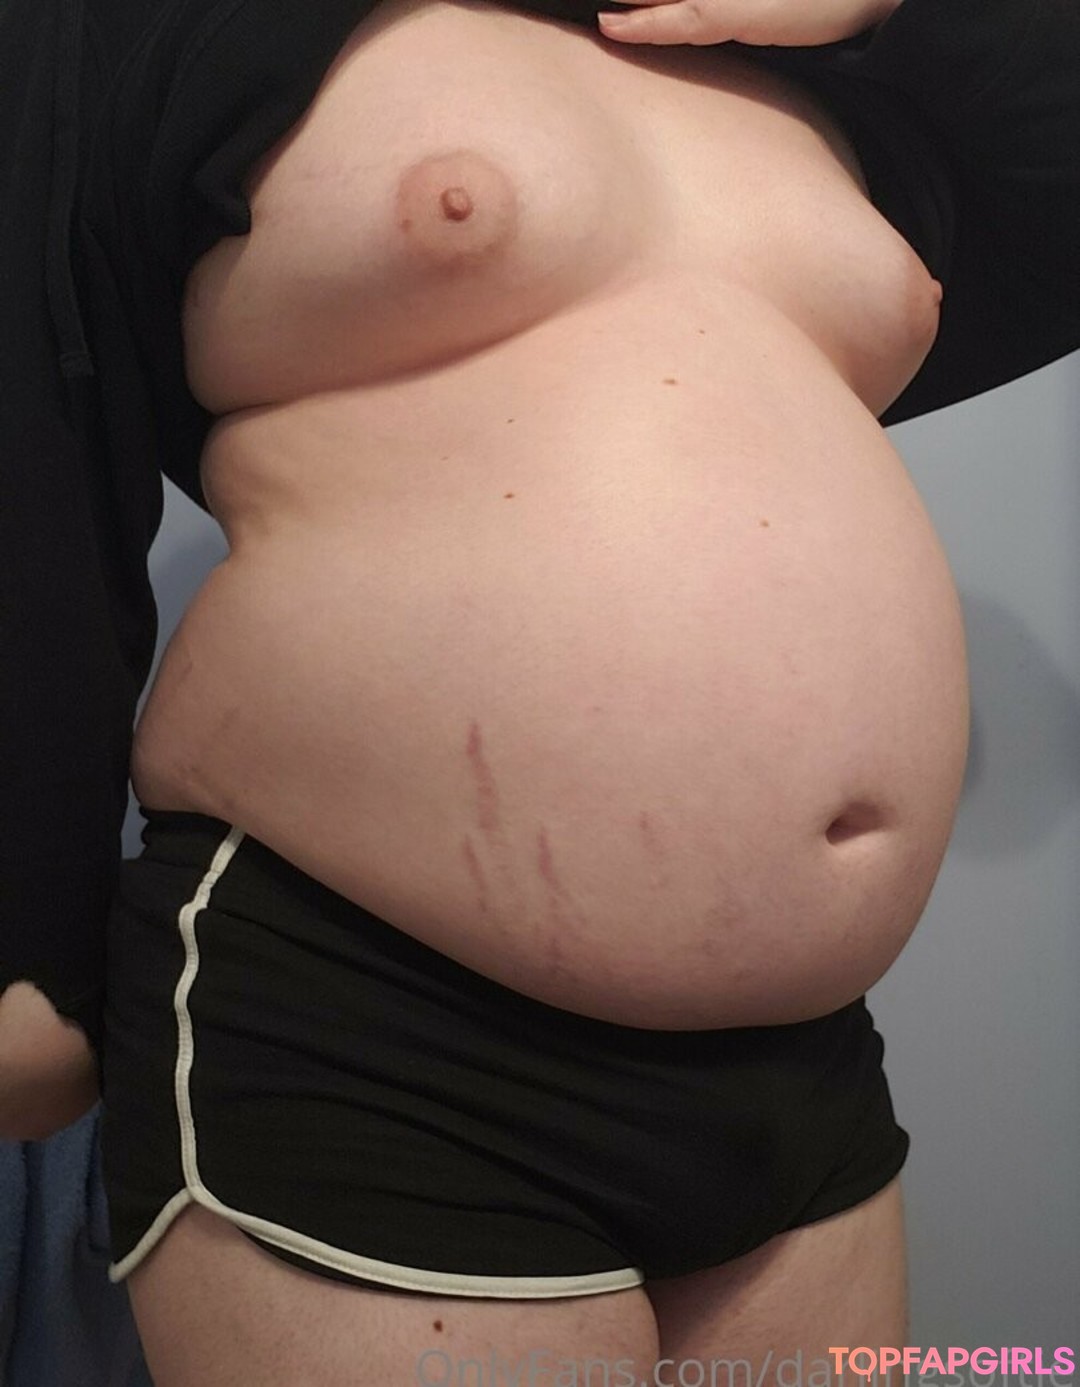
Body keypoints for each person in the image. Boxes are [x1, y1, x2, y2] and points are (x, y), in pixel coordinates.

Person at [1, 0, 1077, 1380]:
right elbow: (34, 423)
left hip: (804, 1062)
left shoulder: (807, 62)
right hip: (376, 1022)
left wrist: (897, 10)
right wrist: (30, 933)